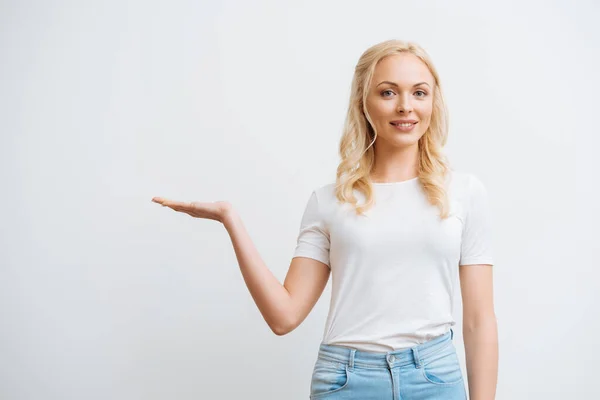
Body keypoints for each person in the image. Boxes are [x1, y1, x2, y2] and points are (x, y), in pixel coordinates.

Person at [152, 39, 498, 400]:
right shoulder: (329, 201)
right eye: (388, 92)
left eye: (419, 93)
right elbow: (283, 317)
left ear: (433, 102)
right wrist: (230, 220)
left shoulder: (465, 193)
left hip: (435, 379)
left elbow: (479, 321)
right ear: (363, 103)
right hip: (347, 382)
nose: (406, 106)